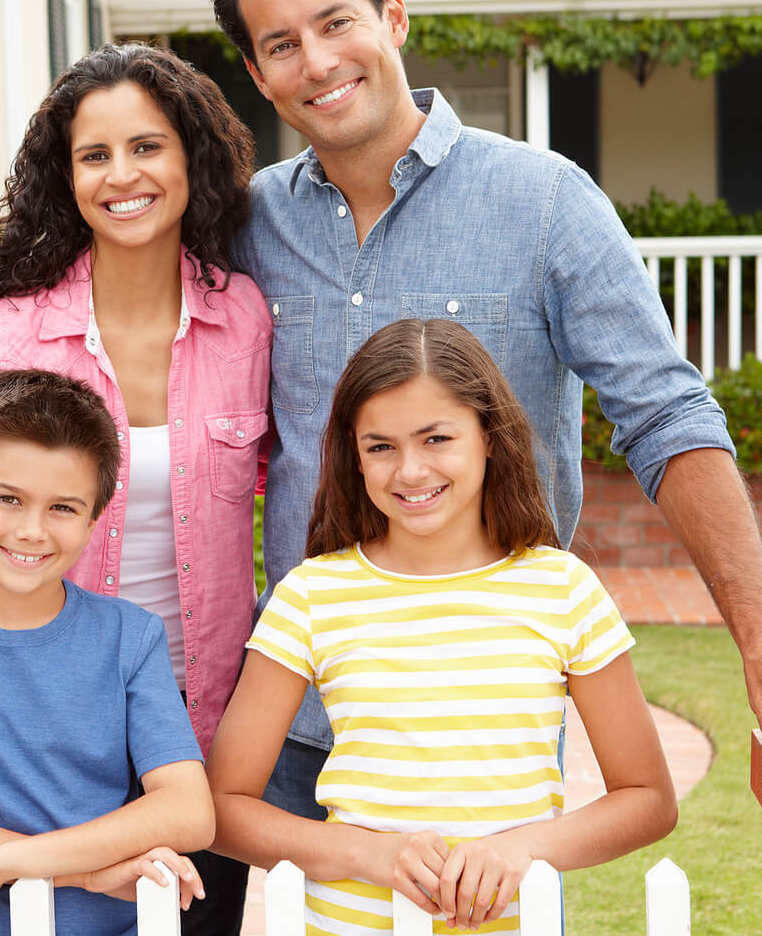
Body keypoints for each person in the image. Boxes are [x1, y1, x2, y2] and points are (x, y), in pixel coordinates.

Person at [0, 0, 762, 826]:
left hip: (481, 715)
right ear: (257, 74)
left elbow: (666, 418)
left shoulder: (545, 202)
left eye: (336, 22)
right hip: (287, 710)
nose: (318, 61)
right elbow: (118, 271)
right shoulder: (246, 225)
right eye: (281, 44)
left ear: (392, 14)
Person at [0, 43, 270, 929]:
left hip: (202, 728)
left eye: (148, 146)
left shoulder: (244, 316)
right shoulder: (4, 334)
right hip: (48, 732)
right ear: (68, 174)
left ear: (190, 156)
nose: (123, 175)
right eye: (95, 154)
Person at [209, 319, 677, 934]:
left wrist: (520, 850)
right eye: (381, 446)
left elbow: (647, 799)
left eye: (436, 439)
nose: (410, 471)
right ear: (353, 454)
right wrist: (368, 853)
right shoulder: (311, 595)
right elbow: (222, 807)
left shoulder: (563, 589)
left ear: (489, 437)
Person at [0, 369, 214, 933]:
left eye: (63, 508)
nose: (31, 530)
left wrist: (2, 865)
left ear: (95, 519)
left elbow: (189, 812)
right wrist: (86, 872)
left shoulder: (131, 638)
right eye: (7, 498)